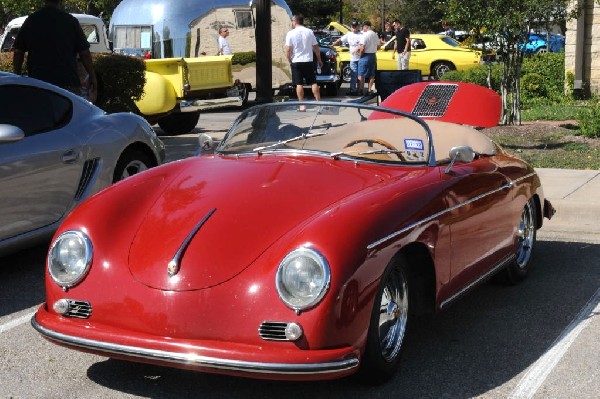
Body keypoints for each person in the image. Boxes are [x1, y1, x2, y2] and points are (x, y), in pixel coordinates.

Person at [12, 0, 97, 102]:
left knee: (41, 116)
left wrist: (17, 76)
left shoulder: (31, 20)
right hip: (68, 84)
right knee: (69, 116)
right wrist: (93, 77)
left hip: (38, 84)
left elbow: (18, 52)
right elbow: (84, 54)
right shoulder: (70, 21)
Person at [285, 14, 322, 103]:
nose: (292, 23)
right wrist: (319, 59)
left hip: (296, 60)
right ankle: (319, 102)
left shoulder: (290, 33)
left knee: (299, 83)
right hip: (308, 60)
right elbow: (316, 47)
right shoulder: (309, 32)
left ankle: (301, 104)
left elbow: (288, 49)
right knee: (313, 82)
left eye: (292, 21)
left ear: (295, 21)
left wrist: (289, 59)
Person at [331, 21, 362, 95]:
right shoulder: (349, 34)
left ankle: (360, 90)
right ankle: (353, 90)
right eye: (353, 26)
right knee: (353, 75)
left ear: (358, 27)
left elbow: (363, 45)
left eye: (355, 26)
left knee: (360, 75)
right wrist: (333, 44)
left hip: (361, 58)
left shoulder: (362, 35)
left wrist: (357, 49)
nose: (354, 28)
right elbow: (340, 40)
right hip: (353, 59)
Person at [357, 21, 380, 95]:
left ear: (366, 26)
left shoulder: (365, 35)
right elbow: (378, 46)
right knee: (371, 75)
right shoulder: (375, 34)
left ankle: (360, 90)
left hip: (365, 55)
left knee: (361, 74)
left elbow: (362, 47)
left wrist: (360, 55)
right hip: (373, 55)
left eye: (363, 27)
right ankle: (369, 90)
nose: (362, 28)